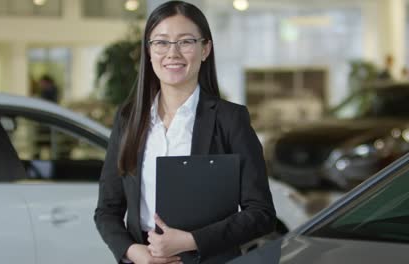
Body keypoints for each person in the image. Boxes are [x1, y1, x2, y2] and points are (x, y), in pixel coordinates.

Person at [94, 1, 276, 264]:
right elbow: (107, 211)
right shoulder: (129, 119)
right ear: (148, 50)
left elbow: (261, 213)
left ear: (205, 49)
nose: (173, 53)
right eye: (162, 42)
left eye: (186, 42)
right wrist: (136, 253)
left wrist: (191, 240)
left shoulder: (229, 120)